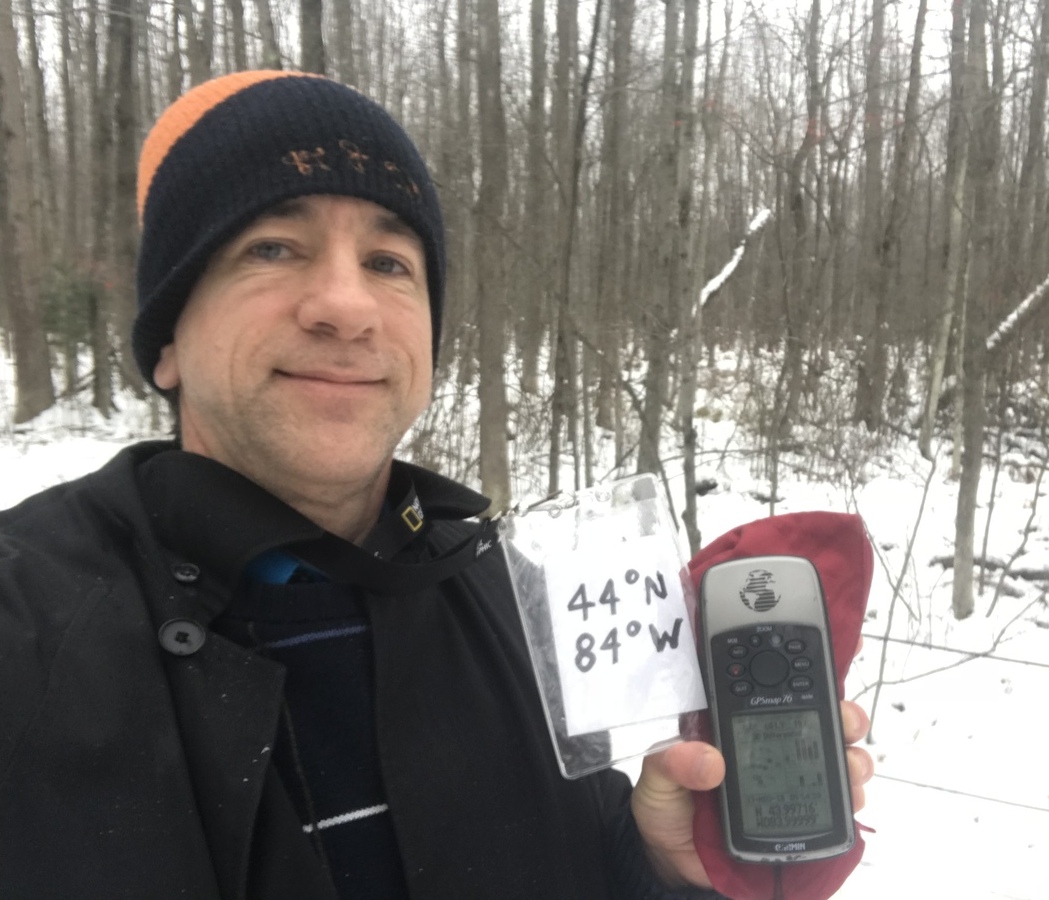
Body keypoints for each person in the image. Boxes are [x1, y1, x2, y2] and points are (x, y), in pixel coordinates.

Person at [0, 71, 873, 899]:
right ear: (166, 342)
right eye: (272, 247)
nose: (347, 305)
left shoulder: (509, 597)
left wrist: (656, 866)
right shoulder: (26, 622)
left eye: (389, 262)